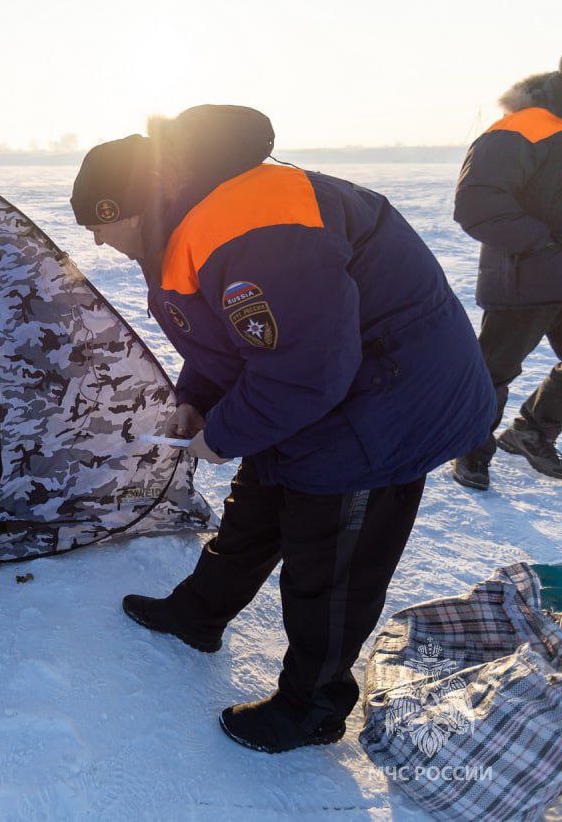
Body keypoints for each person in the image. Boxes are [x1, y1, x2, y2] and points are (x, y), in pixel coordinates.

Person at [70, 105, 494, 753]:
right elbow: (232, 339)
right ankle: (199, 612)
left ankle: (312, 706)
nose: (99, 244)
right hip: (339, 384)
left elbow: (307, 369)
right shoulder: (194, 220)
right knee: (261, 495)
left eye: (99, 225)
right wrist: (196, 400)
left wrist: (222, 433)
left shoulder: (248, 225)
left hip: (387, 399)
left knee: (329, 562)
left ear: (121, 206)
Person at [451, 58, 562, 489]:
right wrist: (544, 245)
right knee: (494, 371)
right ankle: (470, 450)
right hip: (526, 273)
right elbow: (477, 204)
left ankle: (531, 432)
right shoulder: (524, 127)